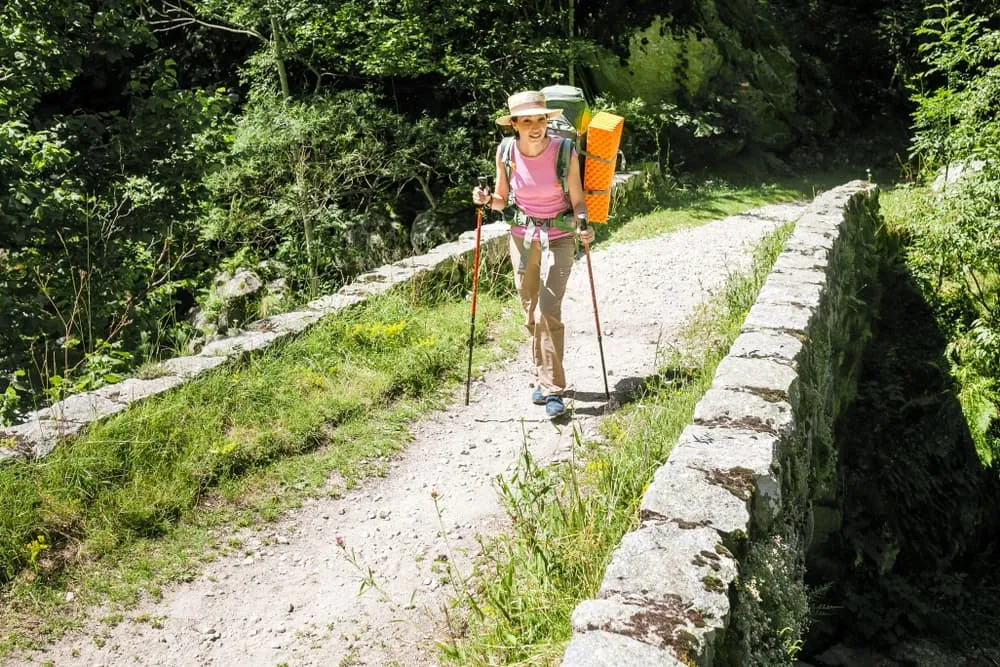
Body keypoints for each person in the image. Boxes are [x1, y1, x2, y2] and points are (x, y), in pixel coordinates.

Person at [472, 90, 594, 418]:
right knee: (530, 311)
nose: (535, 126)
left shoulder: (564, 150)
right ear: (514, 124)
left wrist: (584, 224)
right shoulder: (506, 152)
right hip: (523, 236)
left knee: (548, 310)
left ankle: (554, 390)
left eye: (540, 119)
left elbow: (578, 200)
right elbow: (501, 199)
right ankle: (541, 377)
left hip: (559, 236)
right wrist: (485, 200)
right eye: (527, 120)